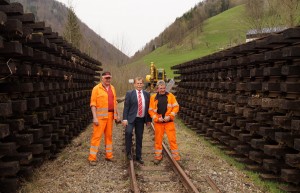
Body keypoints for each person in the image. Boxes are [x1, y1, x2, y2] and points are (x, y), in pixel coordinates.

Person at [88, 71, 120, 166]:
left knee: (109, 136)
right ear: (102, 78)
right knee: (96, 137)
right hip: (100, 117)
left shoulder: (113, 88)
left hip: (110, 116)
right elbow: (93, 104)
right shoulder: (96, 89)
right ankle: (92, 158)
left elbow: (115, 103)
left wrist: (117, 115)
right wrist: (94, 117)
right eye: (106, 78)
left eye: (109, 78)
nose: (108, 79)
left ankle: (109, 156)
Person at [148, 80, 180, 164]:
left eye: (164, 88)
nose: (162, 90)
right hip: (158, 123)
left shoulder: (171, 96)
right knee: (158, 140)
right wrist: (157, 118)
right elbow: (150, 111)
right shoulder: (153, 98)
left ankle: (176, 157)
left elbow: (176, 107)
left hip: (169, 122)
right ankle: (158, 157)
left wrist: (170, 116)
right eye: (160, 88)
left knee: (172, 139)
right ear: (157, 88)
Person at [122, 77, 151, 164]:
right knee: (128, 133)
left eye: (140, 83)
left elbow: (148, 108)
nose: (139, 85)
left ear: (143, 84)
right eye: (137, 83)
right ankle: (128, 153)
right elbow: (126, 107)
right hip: (131, 118)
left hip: (141, 119)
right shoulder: (129, 93)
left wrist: (148, 120)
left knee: (139, 137)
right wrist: (125, 119)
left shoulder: (146, 94)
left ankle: (139, 156)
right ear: (134, 84)